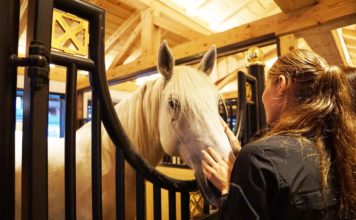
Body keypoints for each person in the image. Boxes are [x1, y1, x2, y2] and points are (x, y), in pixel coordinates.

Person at [202, 49, 356, 219]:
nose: (262, 96)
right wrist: (242, 166)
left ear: (281, 84)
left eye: (266, 85)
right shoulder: (339, 147)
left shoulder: (258, 157)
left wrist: (227, 191)